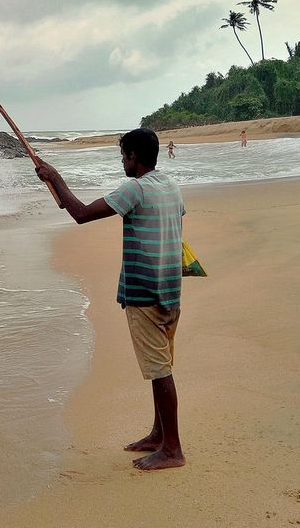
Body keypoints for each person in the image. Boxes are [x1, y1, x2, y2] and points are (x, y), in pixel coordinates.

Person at [34, 128, 186, 471]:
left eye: (123, 156)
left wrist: (55, 177)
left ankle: (173, 449)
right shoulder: (170, 185)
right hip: (171, 292)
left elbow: (81, 214)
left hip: (145, 293)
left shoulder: (135, 188)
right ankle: (158, 435)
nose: (122, 162)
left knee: (159, 370)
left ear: (134, 157)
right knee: (160, 364)